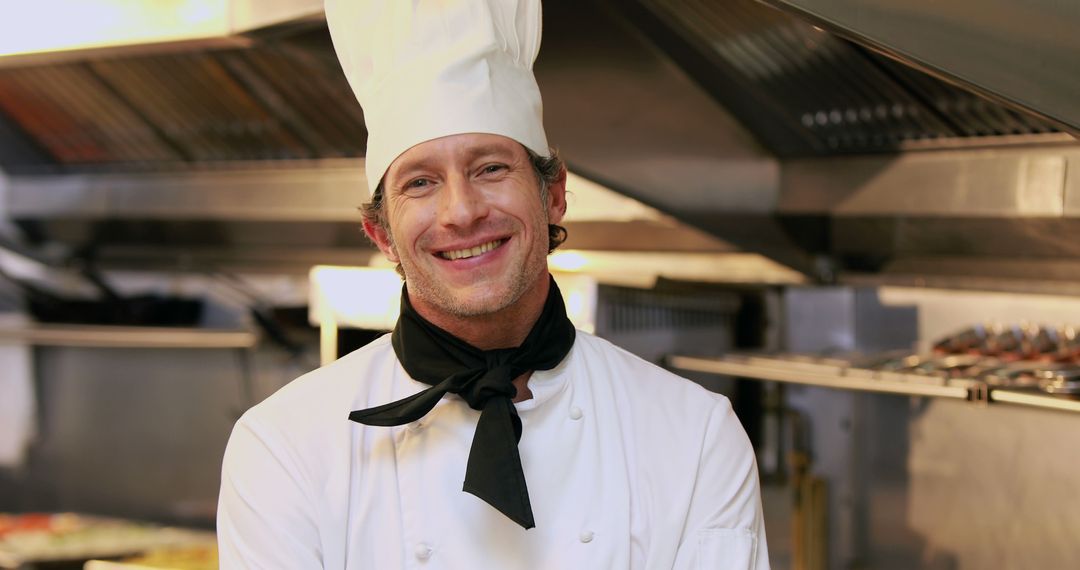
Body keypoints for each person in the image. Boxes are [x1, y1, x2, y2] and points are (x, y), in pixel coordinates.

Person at [216, 0, 769, 568]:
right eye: (421, 182)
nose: (461, 212)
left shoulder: (695, 437)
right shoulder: (284, 447)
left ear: (553, 196)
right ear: (381, 234)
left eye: (491, 169)